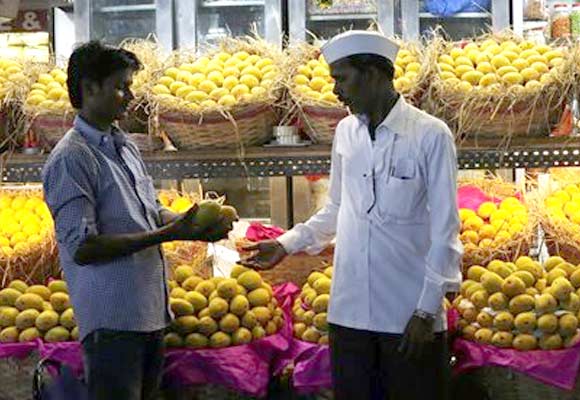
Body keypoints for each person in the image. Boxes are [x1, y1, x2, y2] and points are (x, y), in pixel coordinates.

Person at [243, 31, 462, 399]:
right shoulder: (346, 132)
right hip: (349, 314)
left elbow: (446, 230)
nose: (335, 91)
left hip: (407, 314)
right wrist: (285, 244)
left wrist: (427, 310)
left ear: (374, 75)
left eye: (342, 78)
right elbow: (337, 208)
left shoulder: (430, 135)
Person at [42, 41, 233, 400]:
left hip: (148, 312)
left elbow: (148, 210)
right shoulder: (71, 159)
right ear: (89, 88)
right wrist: (166, 234)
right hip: (112, 320)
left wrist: (189, 225)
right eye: (121, 86)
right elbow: (83, 246)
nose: (130, 96)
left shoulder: (123, 144)